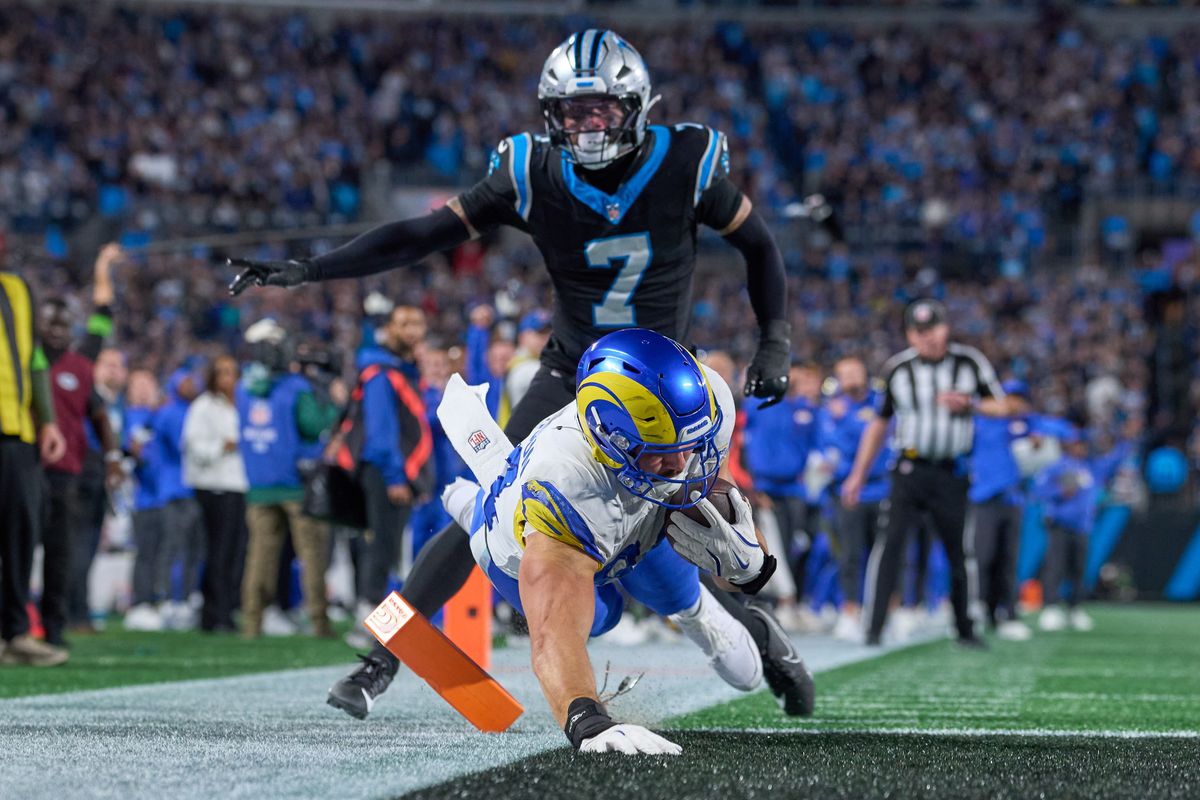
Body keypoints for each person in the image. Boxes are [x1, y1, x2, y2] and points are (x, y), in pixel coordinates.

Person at [228, 29, 800, 717]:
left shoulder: (684, 161)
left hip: (658, 379)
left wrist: (776, 340)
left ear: (637, 106)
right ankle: (382, 657)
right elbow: (420, 234)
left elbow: (759, 244)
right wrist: (313, 270)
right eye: (572, 112)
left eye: (601, 111)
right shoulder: (531, 172)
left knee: (703, 518)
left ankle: (758, 631)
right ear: (549, 114)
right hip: (572, 375)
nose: (587, 127)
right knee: (491, 500)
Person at [438, 329, 810, 754]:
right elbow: (552, 635)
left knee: (684, 598)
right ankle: (473, 507)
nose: (680, 462)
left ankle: (698, 612)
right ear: (609, 438)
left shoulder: (708, 402)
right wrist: (587, 721)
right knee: (599, 618)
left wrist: (749, 565)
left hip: (628, 500)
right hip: (520, 542)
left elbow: (705, 488)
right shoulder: (563, 484)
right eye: (661, 449)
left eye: (689, 445)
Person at [842, 298, 1024, 648]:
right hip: (908, 469)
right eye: (920, 331)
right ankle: (874, 626)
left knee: (958, 550)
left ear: (946, 328)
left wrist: (972, 404)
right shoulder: (898, 368)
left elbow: (1005, 406)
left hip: (951, 471)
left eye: (933, 329)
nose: (928, 338)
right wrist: (858, 474)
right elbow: (879, 424)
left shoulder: (969, 363)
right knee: (890, 546)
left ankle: (964, 627)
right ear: (910, 334)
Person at [38, 244, 124, 647]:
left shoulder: (82, 363)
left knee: (62, 551)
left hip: (68, 471)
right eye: (49, 321)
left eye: (63, 322)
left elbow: (103, 314)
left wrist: (102, 266)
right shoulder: (22, 358)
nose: (56, 328)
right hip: (23, 465)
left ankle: (56, 628)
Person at [334, 305, 433, 627]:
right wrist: (395, 477)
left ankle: (371, 610)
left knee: (385, 544)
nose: (412, 330)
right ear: (388, 329)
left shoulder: (402, 370)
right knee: (381, 544)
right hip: (384, 472)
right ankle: (369, 612)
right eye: (404, 323)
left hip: (391, 471)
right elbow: (380, 433)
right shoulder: (381, 372)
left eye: (417, 323)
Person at [237, 319, 333, 638]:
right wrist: (329, 401)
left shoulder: (243, 387)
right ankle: (319, 621)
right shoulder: (294, 387)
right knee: (311, 553)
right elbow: (313, 424)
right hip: (294, 484)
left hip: (258, 484)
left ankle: (252, 622)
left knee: (259, 556)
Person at [0, 268, 67, 666]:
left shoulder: (19, 287)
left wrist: (48, 420)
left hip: (18, 433)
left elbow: (35, 357)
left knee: (20, 535)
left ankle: (16, 633)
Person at [817, 356, 891, 641]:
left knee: (883, 553)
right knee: (849, 553)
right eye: (844, 373)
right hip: (847, 491)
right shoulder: (831, 410)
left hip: (881, 486)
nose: (850, 379)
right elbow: (831, 449)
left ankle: (888, 610)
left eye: (854, 372)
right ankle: (850, 610)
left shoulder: (881, 403)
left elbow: (883, 439)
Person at [742, 361, 821, 623]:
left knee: (791, 545)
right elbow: (739, 446)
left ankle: (791, 602)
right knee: (760, 548)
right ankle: (767, 603)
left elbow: (815, 450)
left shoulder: (804, 409)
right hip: (762, 488)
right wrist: (752, 485)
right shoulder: (755, 404)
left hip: (794, 489)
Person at [966, 379, 1037, 642]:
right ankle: (977, 609)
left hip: (1013, 499)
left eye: (1019, 398)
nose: (1013, 402)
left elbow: (1058, 432)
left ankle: (1007, 613)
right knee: (982, 557)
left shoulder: (1027, 424)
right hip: (984, 498)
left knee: (1008, 559)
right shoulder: (980, 423)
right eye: (1009, 397)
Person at [183, 355, 248, 633]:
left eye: (232, 372)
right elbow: (193, 445)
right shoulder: (204, 406)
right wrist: (223, 446)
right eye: (221, 372)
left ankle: (228, 609)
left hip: (239, 487)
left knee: (235, 552)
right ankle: (214, 613)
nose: (227, 378)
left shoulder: (244, 405)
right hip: (213, 486)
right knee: (218, 552)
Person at [72, 346, 128, 632]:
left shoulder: (118, 405)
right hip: (83, 477)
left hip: (100, 483)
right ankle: (75, 613)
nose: (112, 370)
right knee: (78, 547)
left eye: (118, 365)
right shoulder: (87, 399)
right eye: (106, 363)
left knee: (89, 547)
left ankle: (79, 610)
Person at [1034, 425, 1099, 633]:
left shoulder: (1088, 467)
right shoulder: (1057, 466)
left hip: (1082, 526)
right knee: (1055, 566)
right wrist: (1061, 491)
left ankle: (1075, 608)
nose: (1080, 448)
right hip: (1060, 525)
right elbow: (1039, 490)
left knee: (1078, 569)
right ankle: (1051, 607)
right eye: (1076, 444)